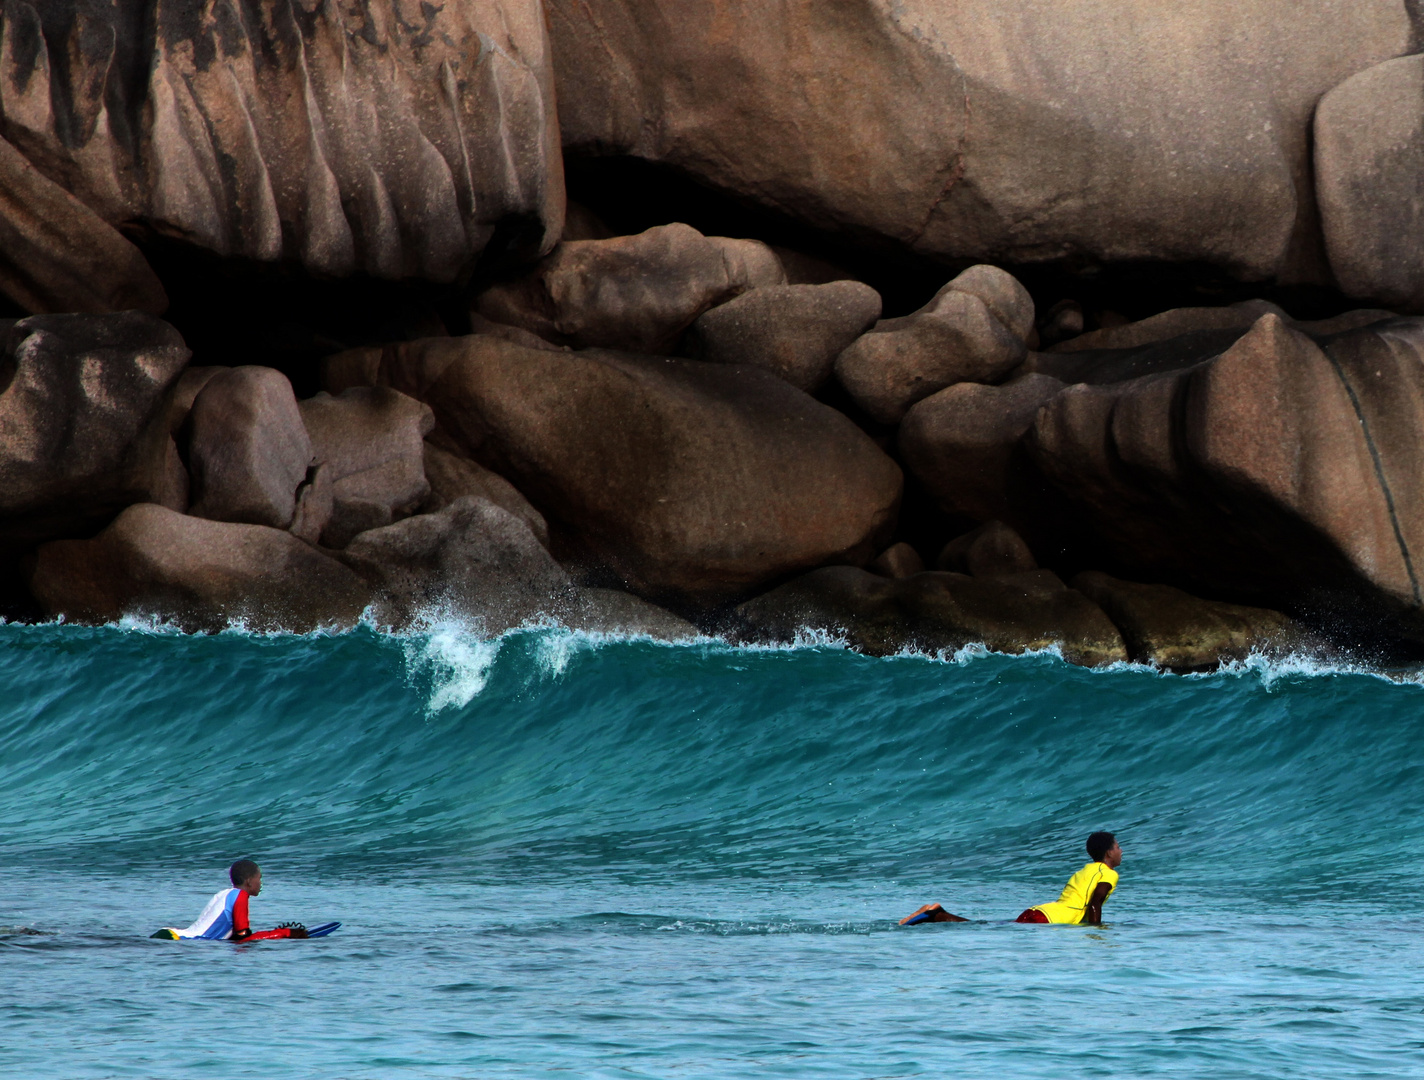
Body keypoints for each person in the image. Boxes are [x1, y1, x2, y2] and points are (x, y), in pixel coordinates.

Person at [899, 832, 1122, 926]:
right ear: (1109, 853)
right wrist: (1096, 931)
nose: (1121, 851)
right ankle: (937, 915)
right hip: (1047, 920)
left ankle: (936, 914)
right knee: (982, 929)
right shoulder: (1109, 873)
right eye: (1118, 846)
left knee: (989, 926)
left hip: (1042, 911)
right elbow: (1095, 901)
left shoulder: (1086, 870)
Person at [152, 859, 307, 940]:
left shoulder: (223, 894)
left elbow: (233, 935)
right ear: (249, 881)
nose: (261, 883)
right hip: (180, 941)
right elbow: (243, 939)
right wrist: (284, 933)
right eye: (259, 879)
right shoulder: (241, 896)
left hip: (170, 934)